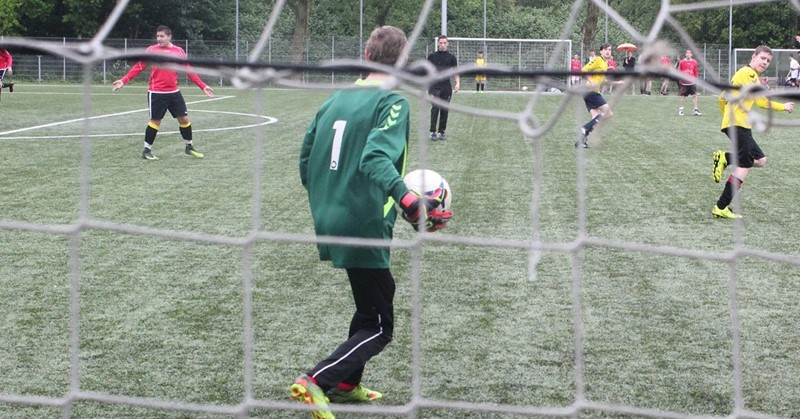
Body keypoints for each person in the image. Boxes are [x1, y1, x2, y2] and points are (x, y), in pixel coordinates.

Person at [293, 26, 452, 419]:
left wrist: (328, 200)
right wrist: (409, 199)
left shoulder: (337, 97)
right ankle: (317, 380)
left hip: (330, 213)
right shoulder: (392, 102)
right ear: (402, 62)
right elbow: (374, 159)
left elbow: (304, 159)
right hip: (362, 219)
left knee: (374, 297)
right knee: (382, 326)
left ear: (365, 52)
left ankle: (347, 383)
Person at [710, 45, 794, 219]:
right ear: (753, 57)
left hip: (738, 124)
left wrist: (726, 117)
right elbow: (762, 102)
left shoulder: (744, 75)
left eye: (768, 61)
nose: (765, 62)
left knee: (761, 160)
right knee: (744, 165)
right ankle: (721, 206)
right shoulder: (748, 74)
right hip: (738, 124)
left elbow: (722, 97)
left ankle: (725, 157)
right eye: (762, 58)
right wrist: (783, 106)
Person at [112, 25, 214, 160]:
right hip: (157, 93)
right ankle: (146, 150)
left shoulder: (178, 51)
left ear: (169, 37)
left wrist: (203, 86)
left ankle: (189, 147)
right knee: (155, 121)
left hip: (174, 92)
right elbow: (139, 67)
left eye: (162, 36)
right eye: (157, 36)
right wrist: (123, 80)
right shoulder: (152, 50)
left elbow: (189, 70)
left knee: (184, 119)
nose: (159, 39)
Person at [577, 43, 614, 148]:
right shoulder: (598, 60)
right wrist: (591, 81)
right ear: (601, 51)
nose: (608, 52)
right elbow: (584, 70)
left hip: (589, 93)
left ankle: (581, 141)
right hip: (591, 92)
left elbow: (602, 80)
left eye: (610, 50)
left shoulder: (605, 64)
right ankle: (584, 128)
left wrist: (617, 82)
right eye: (606, 49)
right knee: (609, 113)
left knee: (596, 119)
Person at [427, 35, 460, 141]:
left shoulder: (451, 58)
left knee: (444, 109)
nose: (442, 45)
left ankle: (441, 132)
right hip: (434, 86)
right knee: (435, 107)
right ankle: (433, 132)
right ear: (438, 44)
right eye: (441, 43)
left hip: (446, 87)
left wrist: (457, 83)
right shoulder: (432, 56)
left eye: (444, 43)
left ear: (447, 44)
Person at [677, 50, 702, 116]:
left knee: (695, 95)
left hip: (692, 82)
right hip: (684, 82)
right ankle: (681, 110)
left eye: (689, 53)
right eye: (687, 53)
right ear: (685, 54)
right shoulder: (682, 62)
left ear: (691, 55)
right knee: (683, 96)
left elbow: (695, 71)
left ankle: (695, 110)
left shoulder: (694, 62)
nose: (688, 54)